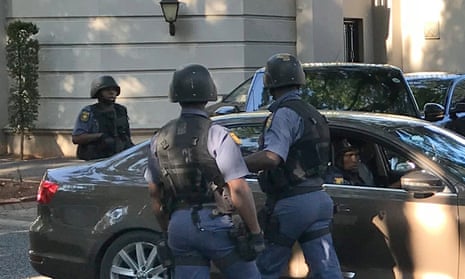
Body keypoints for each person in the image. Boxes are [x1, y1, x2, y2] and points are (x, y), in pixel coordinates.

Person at [144, 63, 264, 279]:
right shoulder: (217, 133)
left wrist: (167, 230)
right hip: (214, 222)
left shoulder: (159, 138)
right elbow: (239, 189)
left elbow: (155, 194)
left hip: (178, 225)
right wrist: (255, 232)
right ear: (209, 93)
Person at [244, 53, 343, 279]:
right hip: (319, 199)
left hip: (291, 203)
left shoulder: (284, 114)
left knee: (264, 268)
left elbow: (272, 157)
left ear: (270, 84)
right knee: (326, 271)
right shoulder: (313, 113)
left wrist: (239, 164)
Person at [72, 75, 134, 160]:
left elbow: (127, 136)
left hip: (119, 158)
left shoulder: (121, 110)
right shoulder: (89, 111)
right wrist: (100, 136)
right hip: (96, 159)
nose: (112, 93)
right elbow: (76, 138)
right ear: (98, 92)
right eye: (107, 90)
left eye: (114, 90)